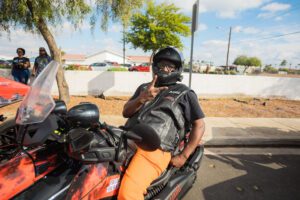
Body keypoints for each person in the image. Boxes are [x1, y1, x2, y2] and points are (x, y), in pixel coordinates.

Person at [118, 47, 205, 200]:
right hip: (126, 139)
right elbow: (126, 112)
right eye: (162, 64)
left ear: (177, 69)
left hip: (155, 148)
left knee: (128, 194)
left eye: (170, 66)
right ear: (155, 67)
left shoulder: (185, 93)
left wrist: (184, 156)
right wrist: (141, 98)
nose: (165, 69)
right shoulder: (145, 88)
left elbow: (199, 125)